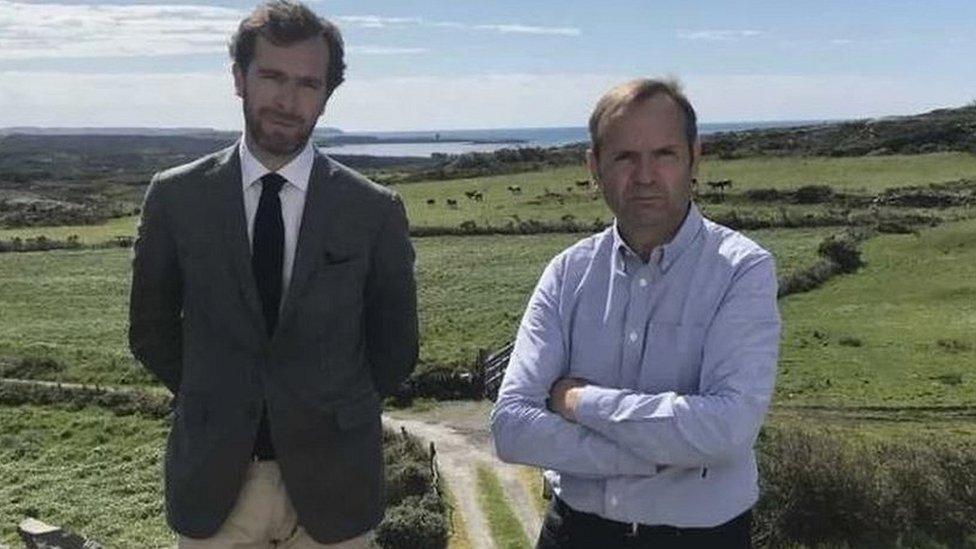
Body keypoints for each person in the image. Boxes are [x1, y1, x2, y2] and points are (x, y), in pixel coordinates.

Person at [128, 2, 418, 547]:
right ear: (240, 79)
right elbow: (150, 331)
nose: (288, 100)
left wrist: (325, 409)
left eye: (309, 83)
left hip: (335, 492)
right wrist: (216, 396)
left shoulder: (374, 210)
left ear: (327, 95)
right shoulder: (175, 198)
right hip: (214, 487)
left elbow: (395, 347)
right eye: (272, 76)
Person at [490, 78, 780, 548]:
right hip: (575, 533)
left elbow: (727, 430)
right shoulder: (567, 273)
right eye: (624, 157)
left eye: (664, 154)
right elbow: (512, 428)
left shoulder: (741, 270)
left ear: (694, 159)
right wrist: (659, 457)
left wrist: (578, 401)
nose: (645, 175)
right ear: (594, 167)